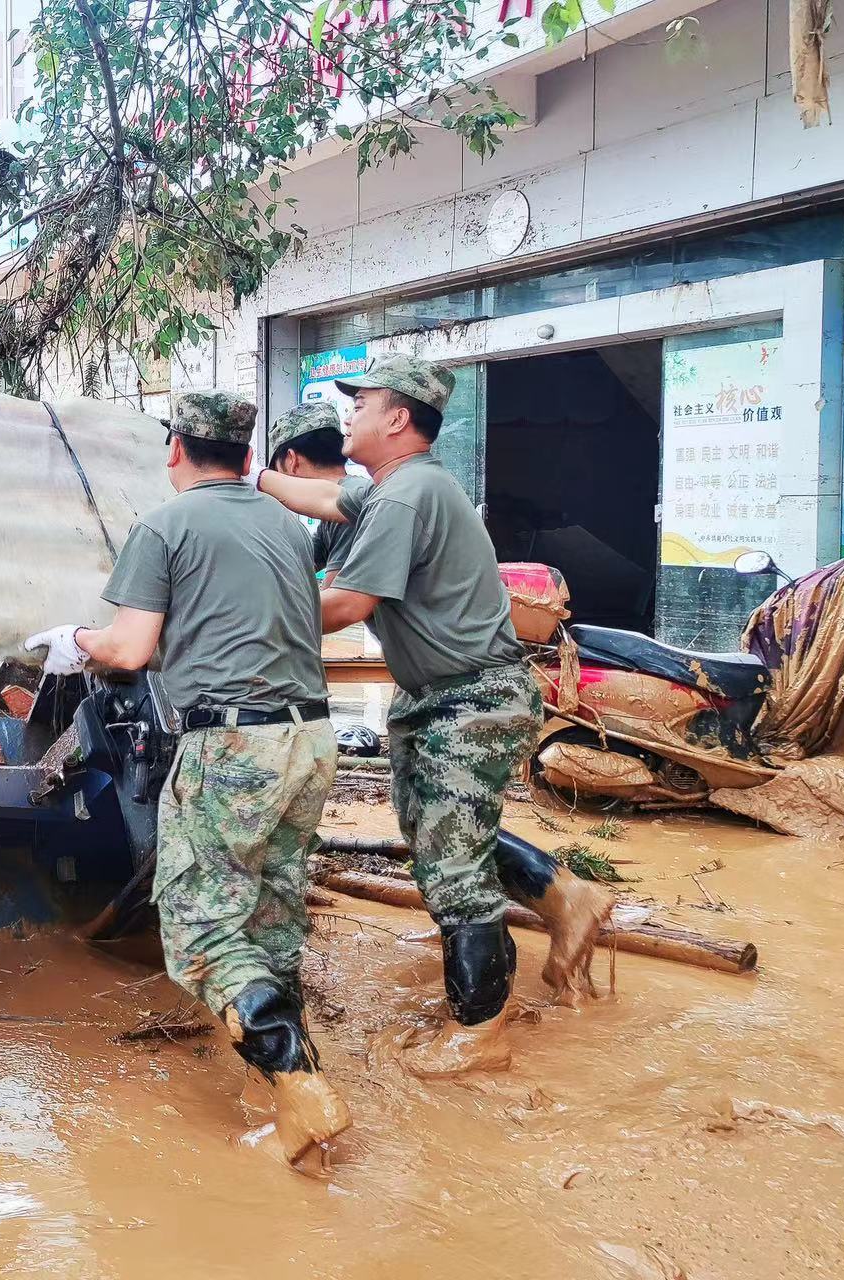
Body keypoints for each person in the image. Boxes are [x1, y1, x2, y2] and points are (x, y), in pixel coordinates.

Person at [253, 357, 613, 1077]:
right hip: (441, 695)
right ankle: (565, 895)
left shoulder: (405, 497)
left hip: (469, 697)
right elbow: (319, 498)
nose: (345, 417)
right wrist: (246, 476)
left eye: (360, 405)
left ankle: (479, 1034)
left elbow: (345, 606)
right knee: (440, 835)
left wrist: (232, 616)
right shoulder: (395, 487)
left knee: (450, 869)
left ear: (396, 419)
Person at [24, 391, 350, 1170]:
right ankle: (279, 1104)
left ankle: (300, 1087)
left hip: (232, 747)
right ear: (245, 458)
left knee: (201, 933)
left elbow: (129, 649)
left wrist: (75, 640)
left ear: (174, 449)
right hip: (309, 737)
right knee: (270, 922)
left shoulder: (165, 525)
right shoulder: (280, 522)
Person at [265, 403, 355, 575]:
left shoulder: (348, 507)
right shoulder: (335, 504)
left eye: (276, 470)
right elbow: (305, 563)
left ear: (292, 460)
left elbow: (336, 598)